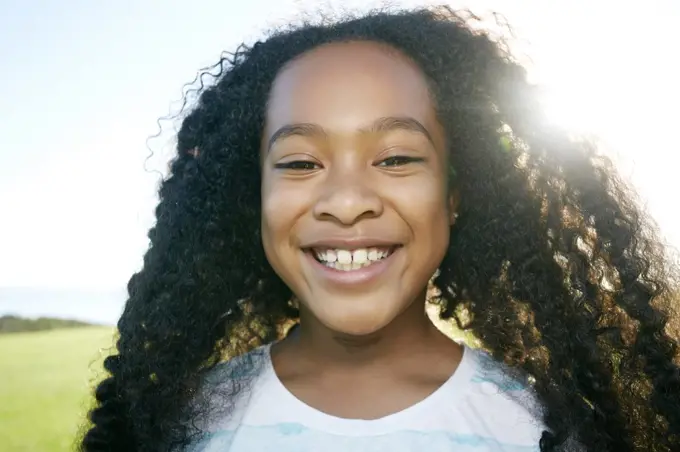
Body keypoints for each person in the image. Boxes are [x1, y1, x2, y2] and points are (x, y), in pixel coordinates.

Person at [79, 6, 680, 452]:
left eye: (395, 158)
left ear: (455, 196)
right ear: (253, 199)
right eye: (299, 163)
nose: (346, 202)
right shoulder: (174, 427)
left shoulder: (546, 430)